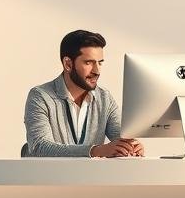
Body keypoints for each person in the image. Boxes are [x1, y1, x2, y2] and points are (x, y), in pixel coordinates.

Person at [23, 30, 145, 158]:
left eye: (100, 62)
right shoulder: (40, 96)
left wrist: (131, 146)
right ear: (68, 64)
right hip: (47, 176)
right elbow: (40, 147)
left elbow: (120, 137)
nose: (97, 71)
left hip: (89, 177)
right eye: (89, 63)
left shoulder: (104, 98)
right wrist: (95, 151)